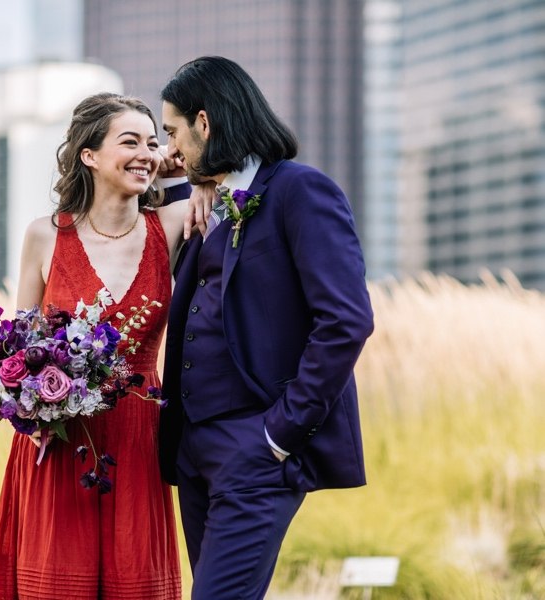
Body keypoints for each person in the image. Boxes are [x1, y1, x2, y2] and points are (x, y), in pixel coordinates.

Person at [157, 56, 375, 599]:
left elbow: (346, 320)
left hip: (255, 448)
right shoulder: (202, 201)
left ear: (205, 123)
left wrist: (280, 433)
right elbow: (120, 204)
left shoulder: (301, 192)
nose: (170, 150)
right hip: (194, 450)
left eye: (173, 133)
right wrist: (183, 175)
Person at [0, 92, 192, 600]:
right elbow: (18, 349)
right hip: (59, 439)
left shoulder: (172, 224)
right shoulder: (44, 236)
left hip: (139, 435)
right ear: (89, 155)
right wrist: (29, 414)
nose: (146, 152)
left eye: (152, 141)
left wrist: (165, 169)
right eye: (129, 142)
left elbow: (202, 182)